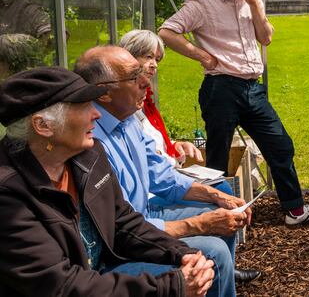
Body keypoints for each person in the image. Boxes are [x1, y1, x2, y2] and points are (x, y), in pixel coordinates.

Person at [0, 67, 214, 297]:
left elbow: (122, 222)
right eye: (83, 106)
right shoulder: (8, 195)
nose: (97, 114)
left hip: (100, 271)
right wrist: (170, 287)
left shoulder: (88, 155)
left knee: (207, 261)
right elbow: (60, 286)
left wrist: (182, 253)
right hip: (72, 287)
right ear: (43, 125)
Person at [158, 0, 309, 226]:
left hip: (253, 89)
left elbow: (266, 38)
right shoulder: (202, 4)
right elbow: (167, 31)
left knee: (281, 145)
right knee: (218, 157)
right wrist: (201, 55)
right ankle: (216, 219)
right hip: (221, 89)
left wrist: (256, 6)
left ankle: (295, 211)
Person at [74, 45, 261, 296]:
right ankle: (218, 274)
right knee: (213, 252)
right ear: (104, 92)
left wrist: (216, 197)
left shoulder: (127, 119)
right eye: (133, 77)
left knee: (222, 202)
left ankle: (221, 277)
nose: (145, 82)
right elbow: (124, 231)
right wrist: (200, 224)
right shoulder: (91, 143)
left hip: (143, 217)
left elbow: (163, 177)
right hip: (121, 249)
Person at [119, 29, 204, 167]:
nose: (154, 65)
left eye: (157, 59)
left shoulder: (145, 101)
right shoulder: (122, 103)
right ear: (128, 56)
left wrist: (175, 146)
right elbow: (147, 156)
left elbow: (153, 139)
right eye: (148, 57)